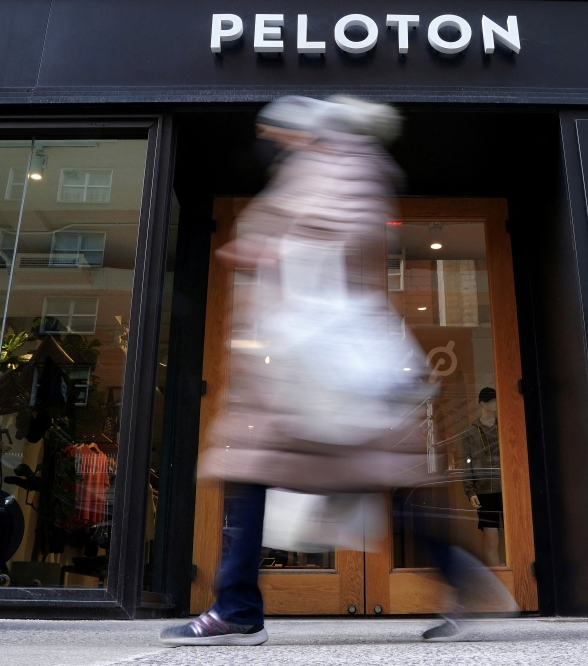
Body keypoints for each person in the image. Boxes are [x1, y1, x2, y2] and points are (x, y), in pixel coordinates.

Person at [159, 96, 514, 648]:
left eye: (274, 130)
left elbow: (346, 234)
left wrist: (274, 251)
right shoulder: (324, 164)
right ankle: (463, 580)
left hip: (321, 370)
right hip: (304, 371)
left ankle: (237, 610)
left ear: (299, 129)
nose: (270, 141)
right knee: (346, 476)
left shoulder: (338, 161)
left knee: (262, 470)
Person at [458, 387, 503, 567]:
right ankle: (498, 580)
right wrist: (470, 491)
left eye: (496, 400)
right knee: (491, 540)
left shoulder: (504, 427)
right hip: (485, 491)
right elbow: (465, 464)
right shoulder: (470, 434)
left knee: (516, 534)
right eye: (491, 400)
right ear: (483, 404)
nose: (495, 404)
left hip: (508, 488)